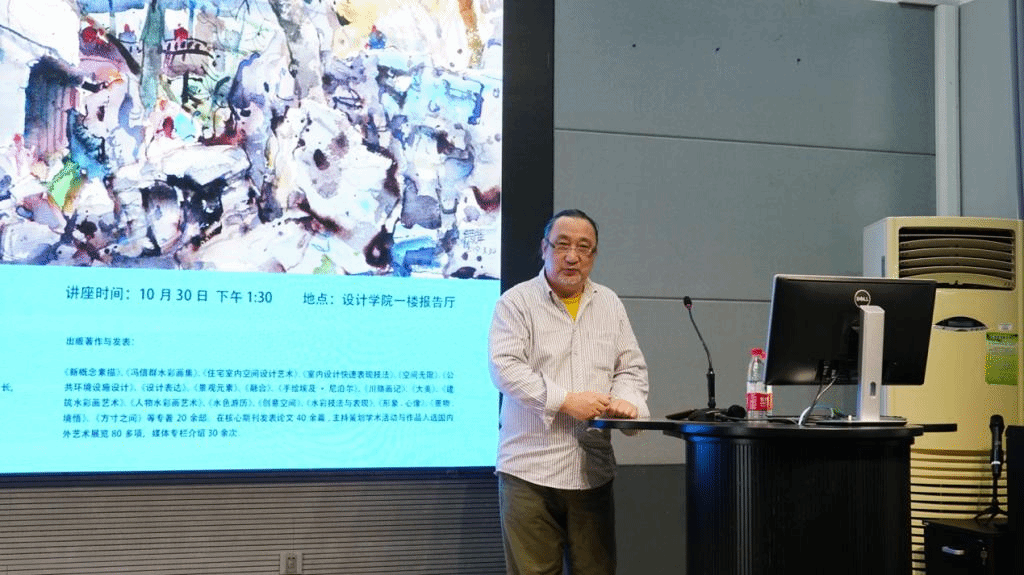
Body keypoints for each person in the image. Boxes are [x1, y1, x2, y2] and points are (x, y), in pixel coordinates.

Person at [488, 209, 650, 575]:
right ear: (543, 248)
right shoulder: (516, 302)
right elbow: (505, 368)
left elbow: (630, 368)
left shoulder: (609, 303)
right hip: (529, 470)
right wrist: (566, 401)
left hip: (591, 470)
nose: (572, 256)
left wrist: (627, 402)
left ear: (594, 255)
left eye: (583, 247)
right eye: (562, 245)